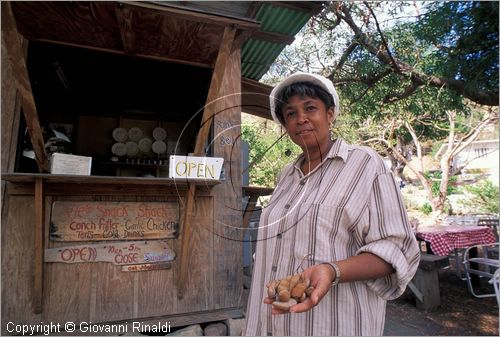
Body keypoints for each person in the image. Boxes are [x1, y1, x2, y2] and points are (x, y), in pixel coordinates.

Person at [243, 72, 420, 336]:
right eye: (290, 114)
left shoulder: (365, 164)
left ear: (330, 114)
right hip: (274, 321)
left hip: (333, 324)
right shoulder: (287, 175)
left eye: (310, 108)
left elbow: (397, 249)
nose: (300, 118)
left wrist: (331, 270)